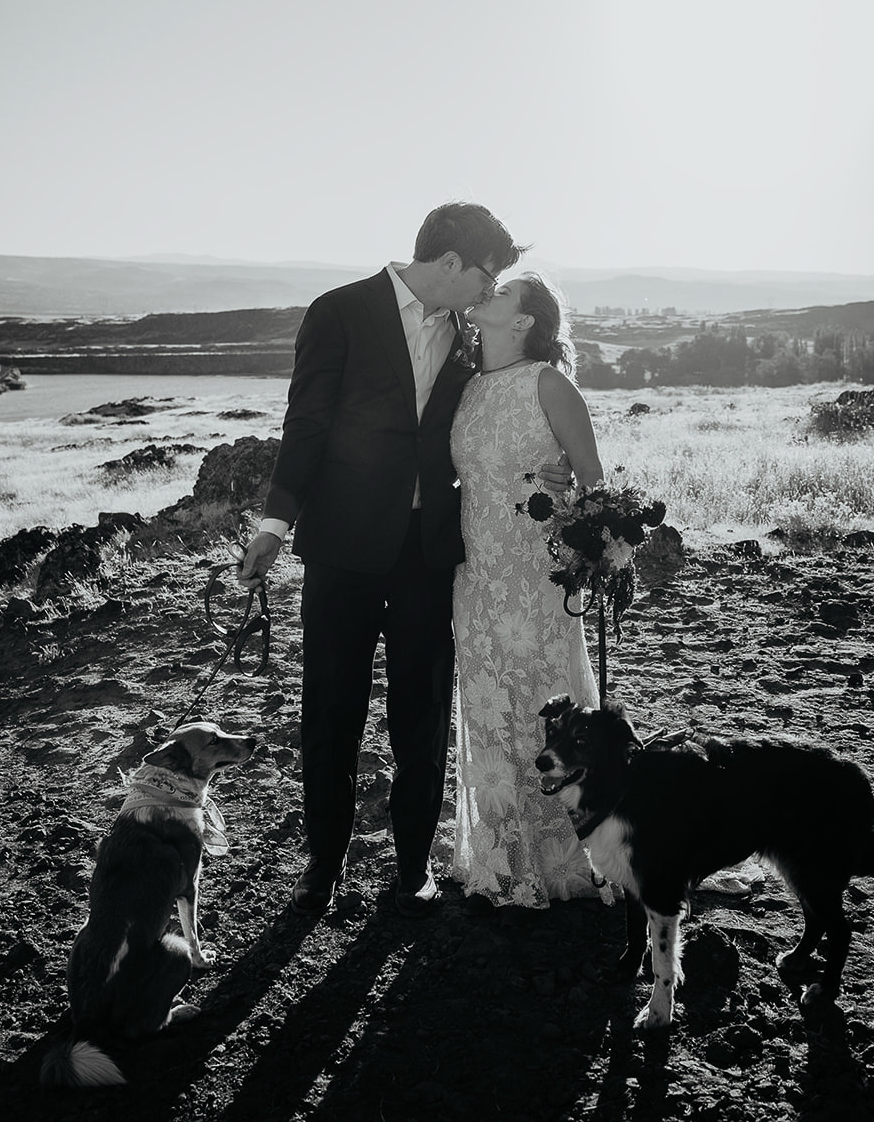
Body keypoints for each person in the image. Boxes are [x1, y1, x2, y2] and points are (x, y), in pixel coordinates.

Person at [237, 204, 566, 919]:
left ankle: (411, 866)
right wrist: (274, 519)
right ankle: (322, 869)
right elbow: (308, 418)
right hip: (341, 548)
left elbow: (507, 411)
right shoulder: (340, 310)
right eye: (485, 273)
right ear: (449, 263)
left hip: (427, 552)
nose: (488, 290)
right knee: (331, 708)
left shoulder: (468, 337)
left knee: (420, 711)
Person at [451, 270, 605, 910]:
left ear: (523, 322)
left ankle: (566, 853)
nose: (487, 291)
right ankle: (500, 851)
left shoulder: (549, 383)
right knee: (489, 708)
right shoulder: (469, 389)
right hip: (478, 577)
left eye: (503, 291)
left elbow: (595, 488)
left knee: (544, 708)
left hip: (535, 580)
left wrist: (567, 505)